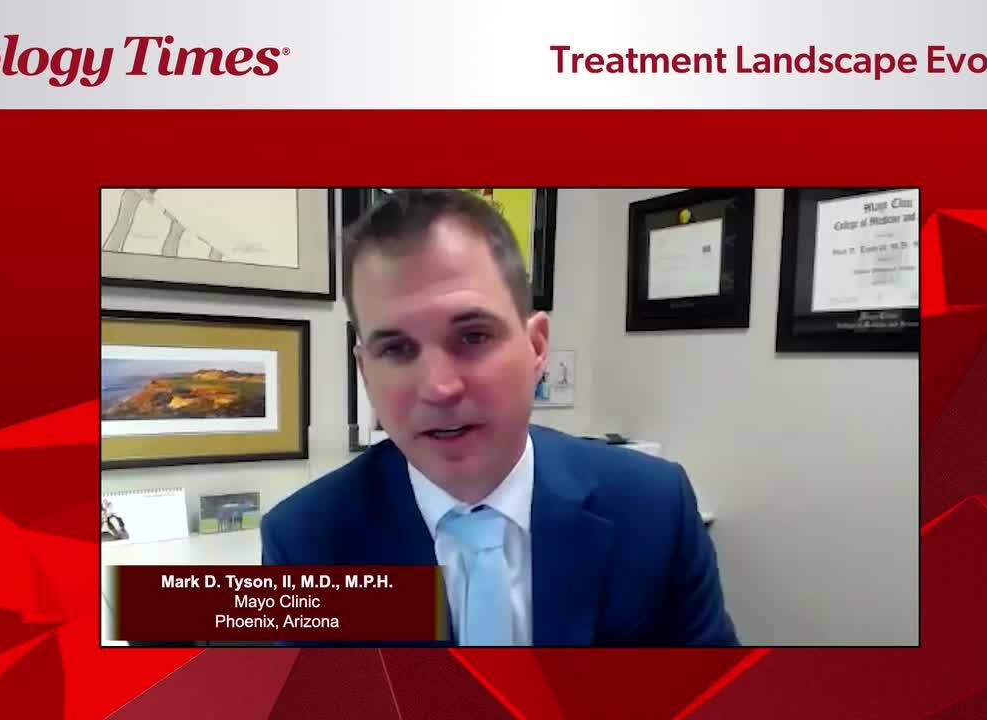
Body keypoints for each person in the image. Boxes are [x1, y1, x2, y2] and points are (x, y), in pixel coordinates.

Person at [261, 189, 739, 646]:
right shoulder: (305, 544)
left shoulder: (654, 508)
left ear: (536, 346)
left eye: (472, 336)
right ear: (365, 371)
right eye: (398, 349)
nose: (439, 387)